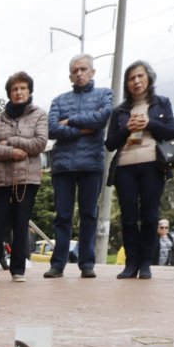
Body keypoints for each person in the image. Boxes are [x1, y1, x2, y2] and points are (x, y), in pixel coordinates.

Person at [104, 61, 174, 280]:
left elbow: (172, 133)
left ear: (149, 78)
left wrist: (149, 123)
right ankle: (131, 263)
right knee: (128, 217)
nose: (136, 81)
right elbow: (110, 144)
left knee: (150, 216)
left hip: (153, 165)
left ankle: (146, 263)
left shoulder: (161, 103)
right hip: (125, 167)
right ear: (126, 83)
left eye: (140, 76)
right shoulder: (119, 111)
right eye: (131, 78)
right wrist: (126, 129)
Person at [0, 71, 49, 283]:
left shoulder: (39, 115)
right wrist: (11, 152)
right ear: (9, 93)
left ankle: (18, 270)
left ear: (30, 91)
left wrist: (10, 141)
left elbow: (40, 143)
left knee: (20, 224)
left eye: (23, 88)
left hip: (26, 180)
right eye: (15, 89)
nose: (19, 92)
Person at [46, 54, 113, 279]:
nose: (79, 74)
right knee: (62, 216)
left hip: (91, 164)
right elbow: (52, 129)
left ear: (92, 71)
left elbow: (101, 119)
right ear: (70, 76)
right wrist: (85, 128)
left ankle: (87, 264)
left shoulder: (104, 94)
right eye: (75, 70)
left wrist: (70, 121)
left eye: (83, 69)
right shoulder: (59, 100)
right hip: (63, 166)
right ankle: (58, 264)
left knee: (89, 215)